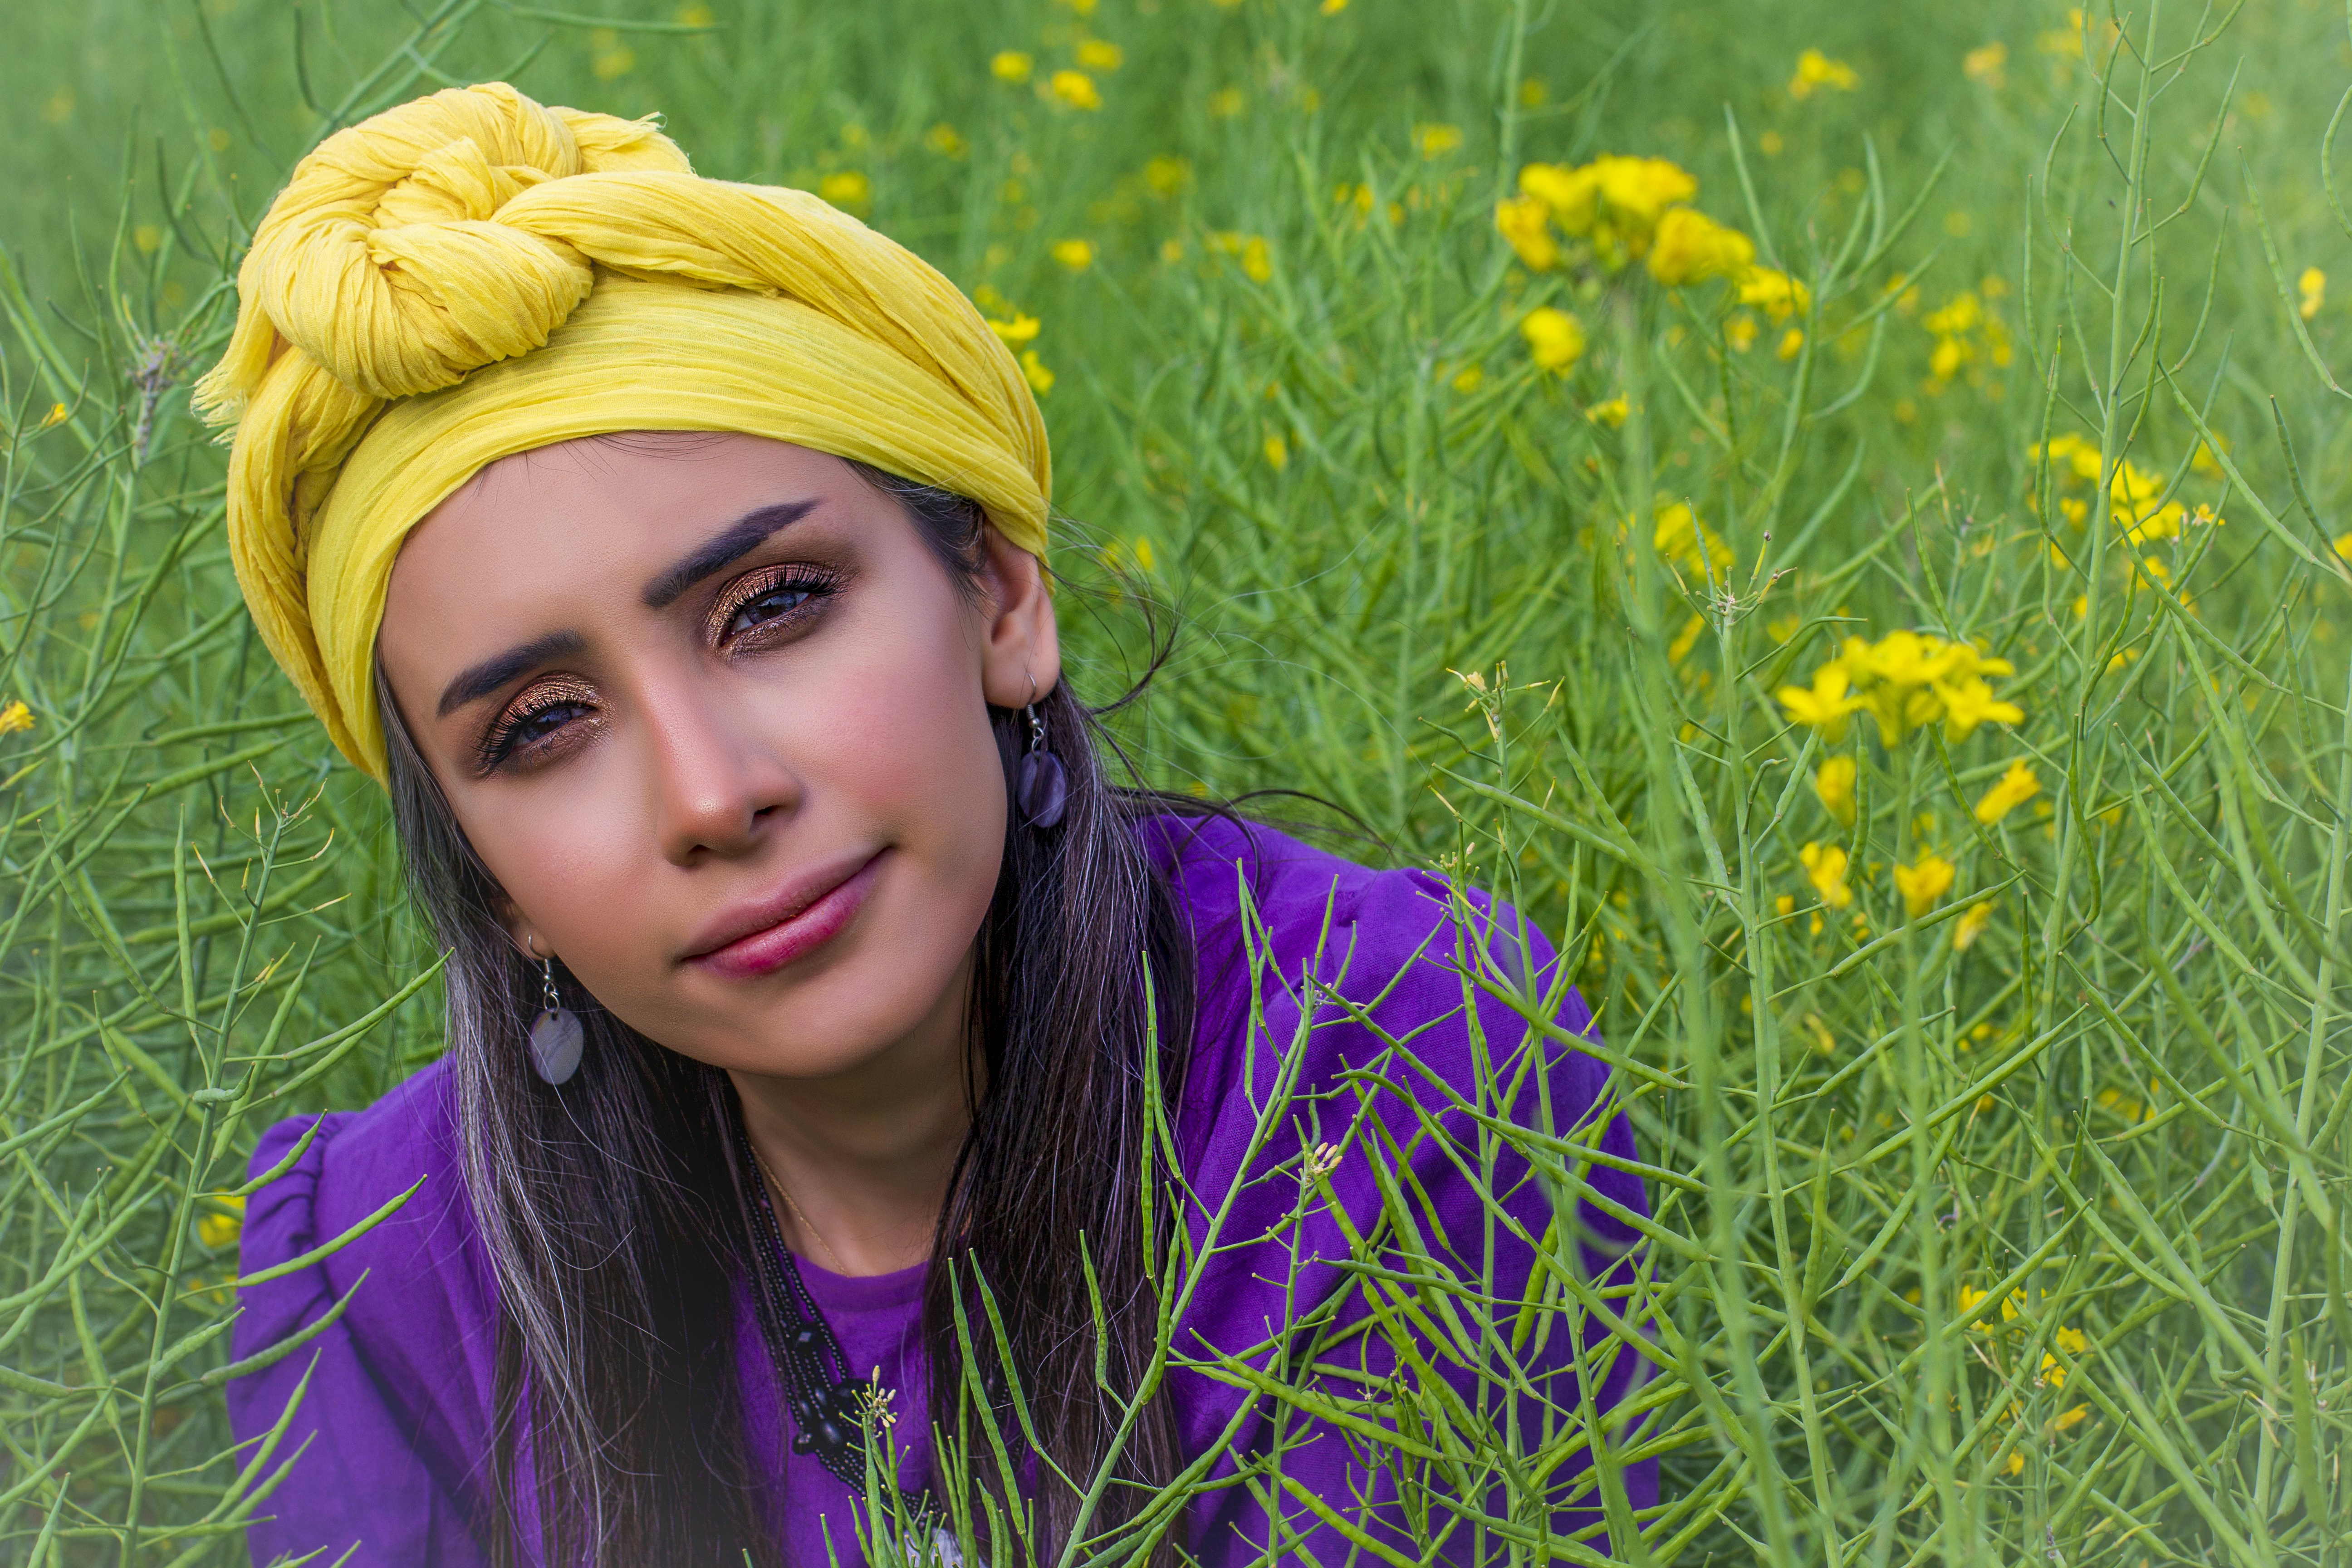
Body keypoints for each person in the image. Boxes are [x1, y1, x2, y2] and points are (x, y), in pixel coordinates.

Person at [207, 83, 1655, 1568]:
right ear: (489, 875)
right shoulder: (377, 1274)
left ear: (1004, 600)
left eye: (772, 609)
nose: (713, 797)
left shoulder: (1387, 1070)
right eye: (541, 729)